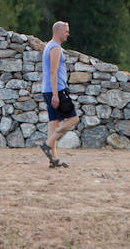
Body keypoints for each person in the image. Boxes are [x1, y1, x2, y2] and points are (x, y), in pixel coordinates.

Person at [40, 20, 78, 168]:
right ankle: (48, 144)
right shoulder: (55, 49)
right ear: (58, 31)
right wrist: (56, 95)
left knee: (53, 122)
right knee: (73, 119)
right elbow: (53, 72)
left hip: (47, 90)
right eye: (66, 31)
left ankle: (53, 159)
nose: (68, 33)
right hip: (58, 90)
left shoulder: (48, 46)